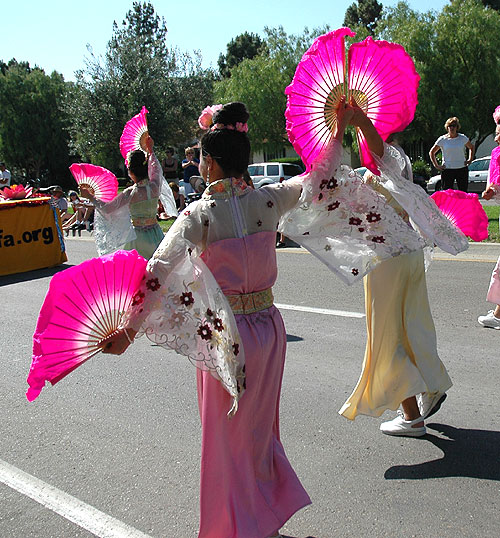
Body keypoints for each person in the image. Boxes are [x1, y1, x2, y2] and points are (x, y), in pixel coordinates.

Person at [98, 99, 445, 537]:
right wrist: (339, 129)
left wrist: (128, 330)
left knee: (224, 438)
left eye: (202, 155)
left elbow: (155, 274)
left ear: (209, 162)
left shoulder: (198, 216)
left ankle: (235, 524)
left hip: (227, 339)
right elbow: (320, 174)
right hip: (269, 331)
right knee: (261, 430)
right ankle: (263, 516)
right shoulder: (269, 201)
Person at [338, 123, 468, 437]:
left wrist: (357, 119)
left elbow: (376, 150)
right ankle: (430, 386)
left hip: (388, 259)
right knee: (412, 327)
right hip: (407, 253)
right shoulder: (397, 161)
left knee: (388, 336)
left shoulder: (386, 160)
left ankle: (411, 417)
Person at [80, 145, 177, 260]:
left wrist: (90, 197)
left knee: (135, 271)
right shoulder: (155, 186)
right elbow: (156, 169)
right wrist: (151, 151)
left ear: (130, 172)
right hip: (155, 234)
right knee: (155, 268)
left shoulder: (130, 193)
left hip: (137, 237)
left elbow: (107, 208)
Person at [478, 123, 500, 329]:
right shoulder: (496, 154)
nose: (496, 135)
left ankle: (498, 315)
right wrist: (491, 192)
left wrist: (494, 190)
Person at [429, 117, 474, 192]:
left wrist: (470, 159)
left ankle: (462, 204)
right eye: (450, 126)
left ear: (457, 127)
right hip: (447, 168)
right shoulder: (442, 139)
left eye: (454, 126)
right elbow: (432, 152)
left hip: (461, 168)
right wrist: (436, 165)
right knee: (447, 192)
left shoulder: (462, 138)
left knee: (463, 191)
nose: (452, 128)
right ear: (447, 127)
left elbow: (471, 147)